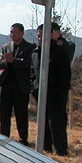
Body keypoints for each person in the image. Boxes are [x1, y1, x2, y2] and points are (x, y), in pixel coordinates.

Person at [33, 22, 74, 155]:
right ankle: (45, 147)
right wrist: (35, 89)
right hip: (40, 94)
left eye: (42, 35)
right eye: (38, 36)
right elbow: (33, 74)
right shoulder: (35, 53)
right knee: (43, 122)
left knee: (56, 123)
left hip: (56, 95)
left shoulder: (60, 52)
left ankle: (61, 150)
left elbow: (65, 75)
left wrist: (61, 92)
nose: (39, 38)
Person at [0, 22, 35, 144]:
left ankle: (23, 138)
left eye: (16, 32)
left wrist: (14, 61)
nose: (13, 35)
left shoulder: (30, 47)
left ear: (22, 33)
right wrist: (6, 61)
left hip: (21, 86)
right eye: (11, 32)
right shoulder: (5, 47)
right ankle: (4, 136)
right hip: (7, 85)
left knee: (21, 114)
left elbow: (30, 64)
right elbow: (0, 63)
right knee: (5, 113)